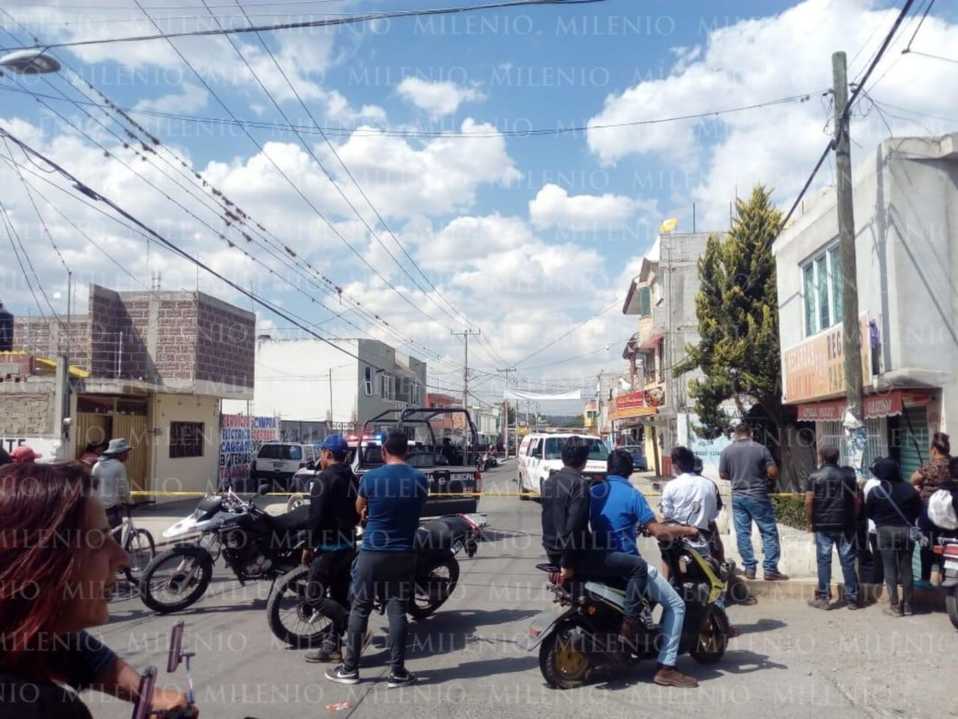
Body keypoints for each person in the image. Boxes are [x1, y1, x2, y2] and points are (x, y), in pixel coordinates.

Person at [0, 461, 192, 718]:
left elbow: (67, 646)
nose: (123, 558)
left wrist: (152, 696)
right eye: (98, 541)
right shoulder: (41, 708)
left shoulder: (24, 632)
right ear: (38, 566)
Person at [591, 448, 701, 689]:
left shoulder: (594, 492)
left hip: (599, 564)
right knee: (676, 605)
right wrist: (688, 530)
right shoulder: (633, 495)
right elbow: (659, 531)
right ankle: (666, 667)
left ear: (608, 469)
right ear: (631, 471)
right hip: (628, 566)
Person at [326, 431, 427, 688]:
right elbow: (418, 507)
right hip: (404, 554)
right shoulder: (420, 479)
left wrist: (371, 508)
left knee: (360, 608)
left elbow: (359, 509)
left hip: (373, 553)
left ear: (383, 452)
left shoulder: (371, 478)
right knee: (397, 611)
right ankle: (397, 672)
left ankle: (350, 669)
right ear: (407, 451)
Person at [540, 437, 650, 647]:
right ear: (584, 460)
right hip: (574, 557)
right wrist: (568, 564)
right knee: (638, 567)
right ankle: (630, 626)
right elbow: (574, 529)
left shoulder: (549, 482)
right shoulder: (580, 485)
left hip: (553, 552)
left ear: (563, 457)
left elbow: (550, 524)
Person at [304, 434, 360, 664]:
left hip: (328, 550)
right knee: (338, 597)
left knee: (314, 596)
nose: (320, 457)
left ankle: (356, 627)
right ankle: (332, 647)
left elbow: (315, 517)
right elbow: (359, 511)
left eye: (321, 453)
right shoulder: (353, 478)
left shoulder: (323, 479)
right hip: (348, 546)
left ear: (327, 454)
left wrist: (308, 546)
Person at [718, 422, 788, 581]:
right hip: (758, 495)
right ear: (750, 433)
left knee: (743, 533)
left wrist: (736, 476)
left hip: (737, 496)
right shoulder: (760, 449)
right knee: (768, 531)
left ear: (735, 434)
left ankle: (749, 569)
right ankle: (770, 569)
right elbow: (773, 472)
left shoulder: (726, 451)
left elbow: (722, 475)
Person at [804, 446, 861, 610]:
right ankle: (852, 599)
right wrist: (853, 517)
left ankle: (824, 597)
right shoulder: (849, 475)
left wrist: (809, 522)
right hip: (845, 524)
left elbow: (809, 501)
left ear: (821, 457)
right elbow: (856, 500)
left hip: (823, 525)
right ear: (837, 457)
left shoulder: (814, 476)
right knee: (848, 561)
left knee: (823, 561)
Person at [866, 457, 922, 617]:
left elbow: (868, 512)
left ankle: (895, 606)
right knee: (907, 567)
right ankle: (909, 605)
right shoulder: (910, 489)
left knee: (889, 567)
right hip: (906, 532)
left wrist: (880, 521)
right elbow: (918, 510)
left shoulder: (875, 491)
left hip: (884, 532)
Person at [912, 432, 951, 585]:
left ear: (934, 449)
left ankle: (926, 581)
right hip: (951, 514)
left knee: (927, 548)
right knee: (948, 548)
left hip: (929, 515)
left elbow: (913, 479)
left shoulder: (929, 467)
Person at [91, 438, 132, 531]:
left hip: (97, 509)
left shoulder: (96, 465)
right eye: (125, 452)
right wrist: (129, 501)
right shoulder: (119, 466)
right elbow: (123, 489)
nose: (127, 455)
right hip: (112, 510)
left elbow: (92, 486)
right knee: (115, 540)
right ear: (118, 453)